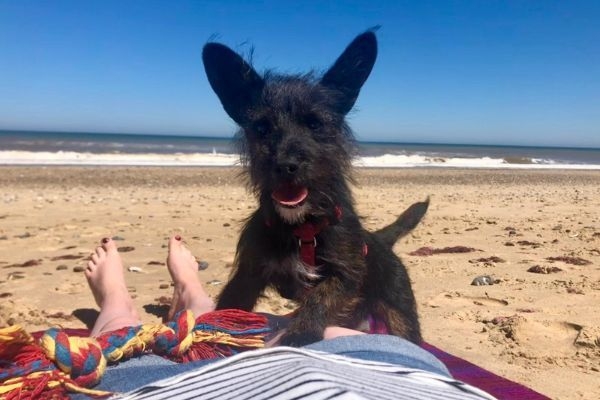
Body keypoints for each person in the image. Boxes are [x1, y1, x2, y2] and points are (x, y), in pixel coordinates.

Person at [71, 236, 496, 400]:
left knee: (122, 355)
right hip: (399, 377)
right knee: (311, 330)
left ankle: (119, 303)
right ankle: (195, 300)